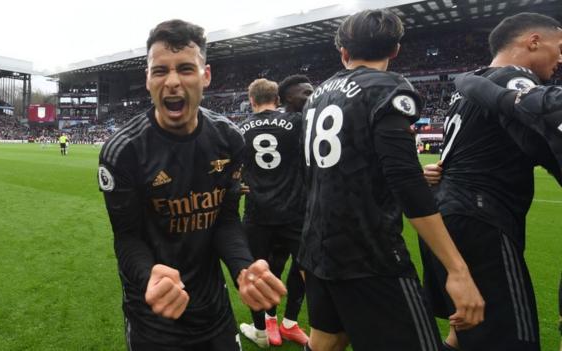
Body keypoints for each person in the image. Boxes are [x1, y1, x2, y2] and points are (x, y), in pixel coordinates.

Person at [299, 9, 484, 351]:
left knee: (326, 342)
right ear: (395, 50)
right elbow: (405, 182)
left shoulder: (318, 94)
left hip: (317, 247)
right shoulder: (388, 87)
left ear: (343, 52)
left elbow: (327, 171)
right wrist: (457, 268)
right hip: (369, 253)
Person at [98, 19, 286, 351]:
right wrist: (148, 275)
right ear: (147, 79)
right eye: (160, 71)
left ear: (206, 75)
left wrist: (243, 267)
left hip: (213, 308)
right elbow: (127, 237)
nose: (172, 82)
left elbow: (225, 220)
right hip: (153, 310)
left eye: (185, 68)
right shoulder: (123, 151)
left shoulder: (229, 139)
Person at [421, 12, 562, 350]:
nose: (560, 58)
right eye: (559, 47)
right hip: (482, 219)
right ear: (533, 41)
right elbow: (541, 122)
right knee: (510, 340)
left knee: (463, 334)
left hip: (445, 216)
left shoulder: (469, 86)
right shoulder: (515, 77)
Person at [237, 78, 309, 348]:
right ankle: (289, 323)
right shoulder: (296, 122)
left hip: (257, 214)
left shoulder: (239, 129)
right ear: (277, 100)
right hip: (295, 211)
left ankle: (261, 330)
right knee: (303, 268)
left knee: (257, 273)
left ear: (251, 100)